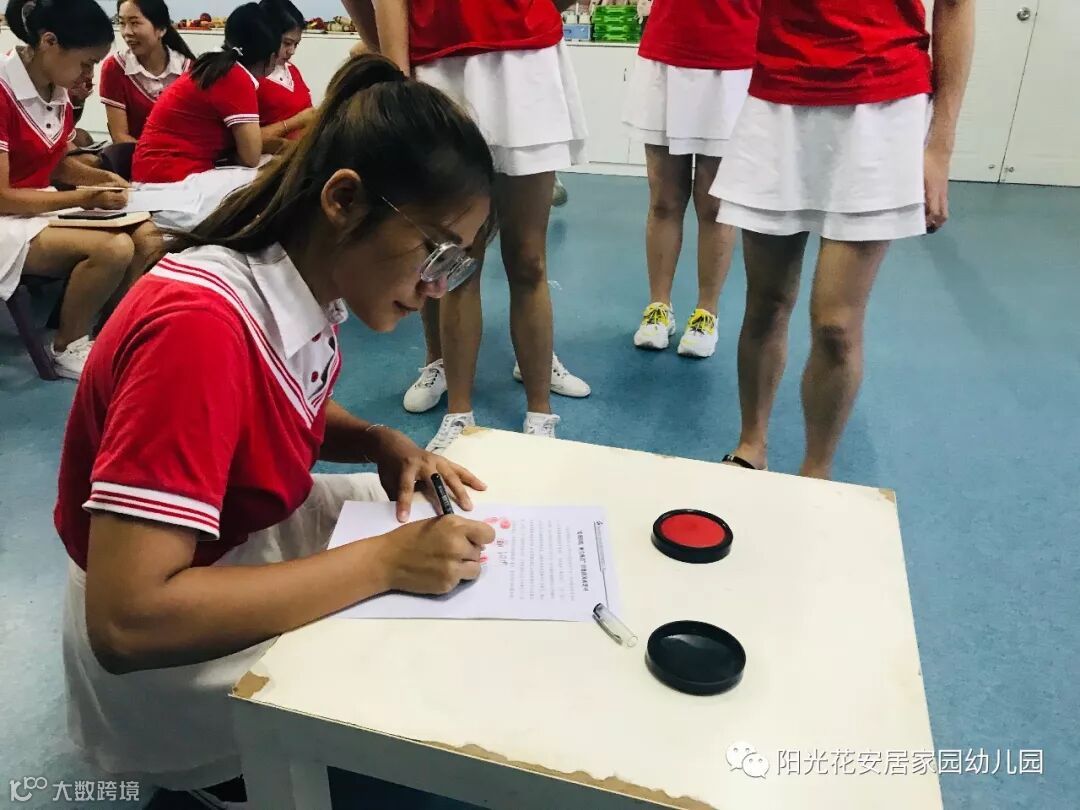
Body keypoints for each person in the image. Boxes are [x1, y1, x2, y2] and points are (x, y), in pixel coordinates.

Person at [56, 54, 497, 803]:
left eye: (454, 263)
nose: (435, 286)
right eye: (436, 250)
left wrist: (373, 440)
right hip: (173, 649)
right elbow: (129, 623)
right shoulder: (197, 330)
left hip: (227, 537)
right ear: (343, 200)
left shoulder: (287, 277)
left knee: (449, 537)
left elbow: (265, 398)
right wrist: (384, 563)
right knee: (416, 612)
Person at [710, 0, 975, 478]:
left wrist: (940, 145)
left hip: (882, 102)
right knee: (766, 304)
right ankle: (751, 446)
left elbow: (955, 8)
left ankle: (816, 472)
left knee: (836, 325)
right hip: (778, 97)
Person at [345, 0, 591, 452]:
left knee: (529, 258)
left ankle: (540, 412)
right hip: (441, 62)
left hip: (525, 59)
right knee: (454, 261)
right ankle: (459, 413)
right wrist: (396, 74)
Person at [0, 0, 161, 380]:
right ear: (49, 42)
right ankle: (67, 346)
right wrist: (85, 196)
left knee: (149, 238)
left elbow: (54, 162)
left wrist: (101, 179)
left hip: (33, 207)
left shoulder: (54, 87)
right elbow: (2, 196)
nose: (88, 75)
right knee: (112, 248)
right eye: (86, 63)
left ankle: (109, 335)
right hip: (8, 215)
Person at [623, 0, 760, 359]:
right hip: (668, 51)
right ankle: (658, 307)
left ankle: (706, 313)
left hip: (733, 59)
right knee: (664, 199)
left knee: (714, 204)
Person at [131, 3, 277, 183]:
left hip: (155, 171)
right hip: (170, 178)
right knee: (271, 180)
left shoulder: (215, 64)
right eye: (287, 44)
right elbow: (251, 157)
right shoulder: (235, 76)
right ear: (272, 56)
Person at [100, 0, 195, 144]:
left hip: (184, 153)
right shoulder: (115, 68)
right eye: (122, 23)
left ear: (161, 29)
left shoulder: (190, 70)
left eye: (135, 23)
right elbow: (119, 136)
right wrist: (152, 154)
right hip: (135, 153)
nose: (126, 32)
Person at [257, 0, 315, 145]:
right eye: (287, 43)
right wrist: (296, 121)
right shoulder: (250, 78)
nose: (292, 51)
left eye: (296, 44)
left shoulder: (292, 70)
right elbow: (244, 140)